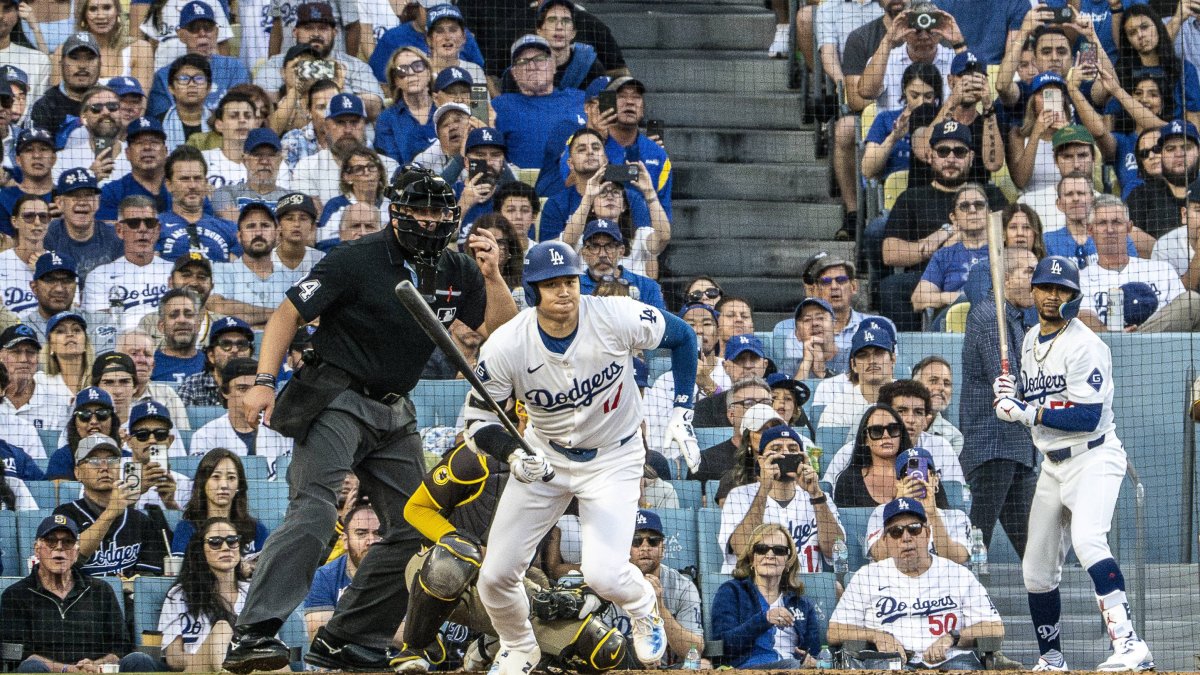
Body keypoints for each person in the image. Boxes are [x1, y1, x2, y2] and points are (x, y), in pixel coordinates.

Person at [221, 167, 514, 673]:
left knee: (419, 527)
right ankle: (253, 633)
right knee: (314, 512)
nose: (428, 220)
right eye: (418, 209)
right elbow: (287, 314)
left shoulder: (458, 269)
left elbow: (505, 334)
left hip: (396, 407)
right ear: (397, 212)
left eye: (438, 212)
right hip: (337, 394)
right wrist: (264, 381)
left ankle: (347, 636)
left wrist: (492, 276)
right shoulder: (357, 258)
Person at [465, 240, 701, 672]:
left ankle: (643, 604)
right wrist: (514, 455)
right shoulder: (506, 345)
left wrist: (684, 408)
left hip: (615, 457)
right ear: (532, 290)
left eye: (570, 281)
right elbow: (478, 422)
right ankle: (518, 645)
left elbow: (684, 336)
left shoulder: (616, 315)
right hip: (544, 456)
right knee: (494, 576)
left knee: (605, 574)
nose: (564, 291)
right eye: (551, 284)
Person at [992, 255, 1154, 670]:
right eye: (1046, 287)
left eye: (1062, 290)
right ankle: (1052, 660)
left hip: (1094, 456)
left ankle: (1130, 645)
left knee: (1088, 540)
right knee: (1035, 570)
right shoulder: (1029, 341)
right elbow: (1036, 400)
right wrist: (1011, 394)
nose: (1052, 295)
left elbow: (1087, 416)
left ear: (1073, 295)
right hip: (1052, 463)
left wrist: (1027, 412)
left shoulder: (1086, 344)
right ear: (1034, 292)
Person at [827, 498, 1005, 669]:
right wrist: (876, 636)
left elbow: (995, 628)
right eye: (896, 531)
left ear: (927, 534)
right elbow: (834, 632)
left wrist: (953, 637)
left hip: (952, 660)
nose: (906, 538)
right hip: (891, 663)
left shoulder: (958, 575)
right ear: (885, 541)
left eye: (914, 529)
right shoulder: (866, 577)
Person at [0, 514, 160, 673]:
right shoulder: (16, 595)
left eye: (68, 542)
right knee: (31, 668)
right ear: (37, 549)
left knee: (140, 660)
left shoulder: (100, 590)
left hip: (96, 671)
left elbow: (121, 646)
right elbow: (19, 654)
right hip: (48, 672)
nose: (59, 547)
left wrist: (97, 665)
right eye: (51, 541)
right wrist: (67, 670)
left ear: (76, 552)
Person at [960, 247, 1037, 555]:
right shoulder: (993, 316)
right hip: (994, 447)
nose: (1036, 280)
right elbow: (1006, 387)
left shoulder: (1013, 318)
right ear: (1005, 278)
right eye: (1028, 272)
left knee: (1035, 548)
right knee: (976, 543)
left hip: (1014, 448)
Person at [718, 425, 843, 574]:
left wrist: (816, 495)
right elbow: (743, 549)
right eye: (776, 449)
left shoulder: (821, 498)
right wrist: (764, 488)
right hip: (753, 587)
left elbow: (835, 551)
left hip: (807, 588)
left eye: (792, 449)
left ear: (803, 458)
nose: (784, 454)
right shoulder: (738, 496)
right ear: (761, 460)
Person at [1076, 196, 1200, 332]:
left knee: (1192, 300)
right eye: (1102, 223)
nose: (1110, 229)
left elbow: (1183, 313)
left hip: (1162, 346)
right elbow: (1086, 319)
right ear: (1090, 230)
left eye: (1117, 222)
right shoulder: (1082, 278)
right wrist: (1117, 338)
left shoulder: (1160, 270)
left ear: (1129, 227)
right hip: (1111, 348)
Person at [54, 431, 170, 576]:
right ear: (77, 473)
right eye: (94, 460)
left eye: (111, 460)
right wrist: (110, 512)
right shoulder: (65, 514)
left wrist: (130, 584)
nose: (104, 467)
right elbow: (65, 559)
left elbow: (150, 576)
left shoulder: (141, 521)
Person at [711, 523, 822, 669]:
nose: (770, 555)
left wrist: (812, 660)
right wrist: (765, 619)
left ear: (788, 561)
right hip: (748, 670)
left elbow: (814, 652)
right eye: (761, 549)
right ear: (752, 559)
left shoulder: (802, 603)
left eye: (779, 550)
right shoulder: (731, 592)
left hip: (794, 667)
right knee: (792, 665)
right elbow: (723, 646)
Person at [160, 517, 251, 671]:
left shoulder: (253, 593)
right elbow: (174, 658)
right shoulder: (179, 595)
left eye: (232, 541)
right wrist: (211, 659)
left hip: (246, 668)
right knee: (222, 629)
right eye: (215, 542)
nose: (225, 547)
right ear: (201, 550)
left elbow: (269, 648)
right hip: (198, 670)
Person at [618, 509, 703, 663]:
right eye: (636, 541)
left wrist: (660, 607)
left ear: (662, 548)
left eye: (653, 540)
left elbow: (694, 650)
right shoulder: (611, 585)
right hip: (622, 668)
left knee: (701, 664)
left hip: (668, 670)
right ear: (626, 548)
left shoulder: (683, 586)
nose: (645, 547)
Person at [861, 447, 970, 563]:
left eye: (922, 473)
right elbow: (880, 555)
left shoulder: (956, 517)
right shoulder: (881, 513)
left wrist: (933, 514)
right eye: (907, 474)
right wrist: (898, 509)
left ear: (936, 480)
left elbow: (957, 559)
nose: (916, 480)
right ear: (898, 483)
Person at [189, 358, 294, 479]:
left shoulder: (281, 432)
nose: (250, 395)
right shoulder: (205, 435)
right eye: (242, 388)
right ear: (225, 391)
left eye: (255, 389)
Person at [493, 35, 587, 168]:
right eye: (523, 62)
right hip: (524, 186)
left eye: (540, 59)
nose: (532, 66)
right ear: (514, 74)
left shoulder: (583, 99)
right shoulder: (501, 106)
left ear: (553, 66)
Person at [80, 194, 173, 325]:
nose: (143, 229)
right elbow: (99, 329)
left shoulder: (174, 272)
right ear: (119, 230)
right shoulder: (99, 276)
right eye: (133, 223)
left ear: (157, 230)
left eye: (149, 223)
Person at [302, 502, 382, 638]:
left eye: (378, 533)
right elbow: (320, 635)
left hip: (393, 657)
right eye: (361, 533)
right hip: (340, 657)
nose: (371, 540)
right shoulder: (324, 577)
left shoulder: (401, 574)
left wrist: (343, 623)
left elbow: (406, 636)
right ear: (345, 540)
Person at [910, 182, 991, 315]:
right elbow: (918, 299)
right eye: (964, 206)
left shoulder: (1003, 252)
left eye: (979, 205)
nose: (972, 210)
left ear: (989, 213)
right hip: (952, 325)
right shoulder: (943, 255)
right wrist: (958, 298)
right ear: (954, 218)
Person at [172, 447, 271, 555]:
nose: (224, 485)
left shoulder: (257, 530)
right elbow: (183, 570)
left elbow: (267, 569)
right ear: (203, 482)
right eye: (216, 477)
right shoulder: (187, 529)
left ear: (239, 485)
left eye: (231, 478)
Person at [157, 146, 241, 262]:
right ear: (169, 185)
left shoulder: (231, 229)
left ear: (206, 183)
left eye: (197, 178)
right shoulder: (153, 227)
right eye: (184, 179)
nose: (192, 185)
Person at [812, 320, 897, 429]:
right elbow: (820, 446)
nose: (872, 361)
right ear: (853, 365)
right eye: (863, 355)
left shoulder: (909, 400)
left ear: (893, 359)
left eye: (879, 353)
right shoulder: (837, 410)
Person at [44, 167, 123, 279]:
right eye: (74, 195)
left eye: (88, 195)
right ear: (59, 203)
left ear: (97, 202)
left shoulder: (115, 237)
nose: (82, 202)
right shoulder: (46, 235)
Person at [830, 404, 913, 507]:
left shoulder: (919, 473)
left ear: (901, 435)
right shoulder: (848, 480)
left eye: (893, 429)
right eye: (876, 431)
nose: (886, 436)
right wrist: (899, 501)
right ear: (865, 440)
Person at [575, 218, 666, 311]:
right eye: (594, 247)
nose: (602, 254)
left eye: (610, 246)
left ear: (621, 251)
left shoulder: (647, 287)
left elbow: (661, 324)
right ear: (584, 252)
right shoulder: (573, 287)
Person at [0, 323, 71, 431]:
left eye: (31, 352)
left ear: (38, 358)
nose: (24, 359)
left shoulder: (56, 405)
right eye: (16, 352)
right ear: (1, 355)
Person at [211, 128, 289, 222]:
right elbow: (231, 227)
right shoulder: (225, 193)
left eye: (271, 155)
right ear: (245, 160)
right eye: (257, 155)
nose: (264, 161)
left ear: (280, 160)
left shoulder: (291, 197)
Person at [125, 399, 190, 511]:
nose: (152, 440)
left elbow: (188, 528)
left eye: (160, 434)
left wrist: (170, 504)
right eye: (142, 435)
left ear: (170, 440)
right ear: (129, 441)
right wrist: (134, 493)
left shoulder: (185, 484)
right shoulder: (115, 478)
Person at [692, 334, 769, 427]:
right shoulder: (705, 408)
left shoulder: (778, 400)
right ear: (725, 366)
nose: (748, 366)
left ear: (765, 364)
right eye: (740, 360)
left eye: (754, 358)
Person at [179, 316, 255, 406]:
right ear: (211, 355)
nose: (235, 350)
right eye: (226, 344)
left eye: (242, 344)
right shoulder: (192, 385)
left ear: (250, 353)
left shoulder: (262, 384)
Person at [150, 289, 205, 383]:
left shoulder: (211, 364)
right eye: (173, 315)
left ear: (198, 325)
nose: (182, 320)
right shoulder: (149, 364)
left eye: (188, 314)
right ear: (161, 326)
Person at [912, 356, 962, 454]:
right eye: (933, 381)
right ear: (915, 385)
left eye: (946, 383)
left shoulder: (954, 437)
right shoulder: (895, 424)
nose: (941, 388)